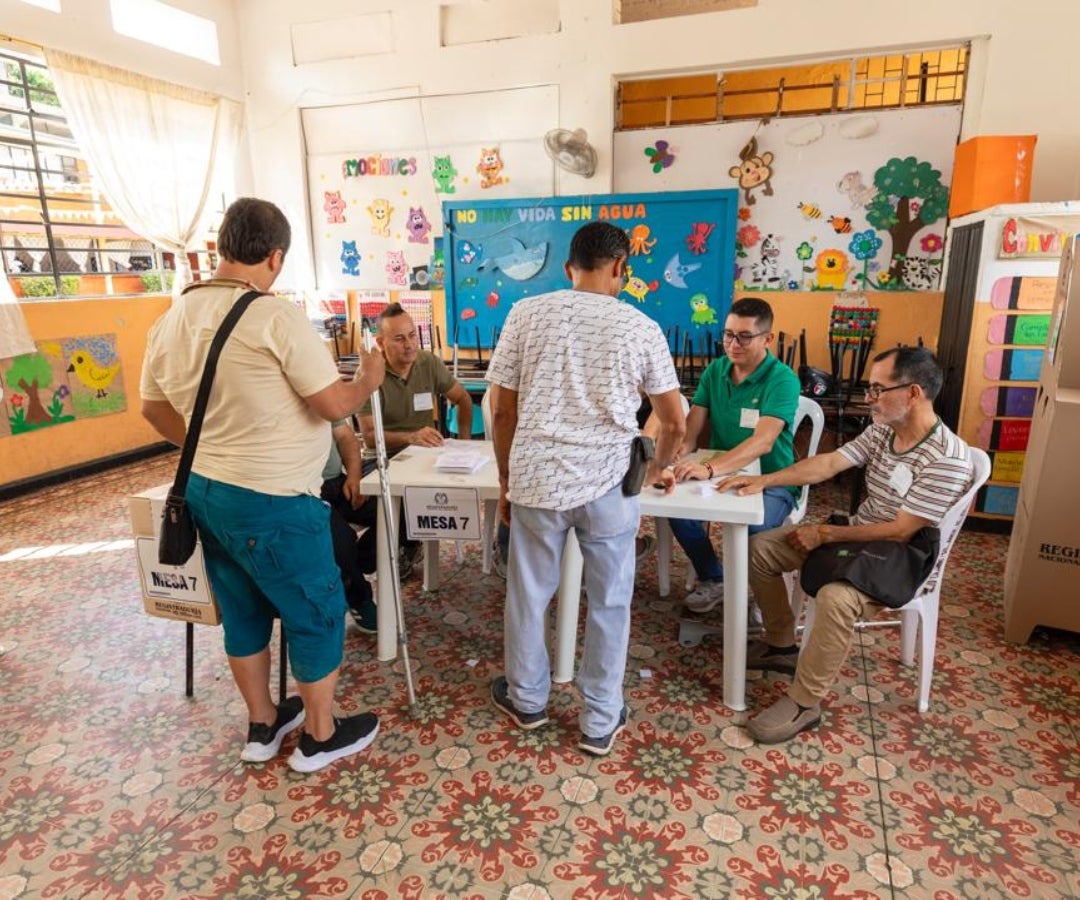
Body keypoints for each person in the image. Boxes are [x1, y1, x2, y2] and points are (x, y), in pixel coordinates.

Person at [140, 197, 384, 774]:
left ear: (223, 246)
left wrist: (212, 448)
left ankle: (263, 724)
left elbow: (152, 409)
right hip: (274, 500)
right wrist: (368, 378)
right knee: (316, 608)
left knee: (243, 608)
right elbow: (333, 404)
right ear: (275, 257)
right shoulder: (274, 317)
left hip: (206, 493)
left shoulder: (171, 318)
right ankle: (320, 736)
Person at [486, 221, 686, 756]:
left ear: (568, 267)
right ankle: (599, 719)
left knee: (528, 595)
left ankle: (528, 700)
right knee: (610, 602)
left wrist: (506, 479)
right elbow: (675, 420)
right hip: (609, 486)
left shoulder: (525, 313)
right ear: (621, 267)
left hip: (536, 479)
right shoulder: (641, 326)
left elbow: (501, 409)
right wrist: (657, 469)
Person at [716, 347, 973, 743]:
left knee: (836, 598)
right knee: (758, 549)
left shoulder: (947, 458)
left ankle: (805, 702)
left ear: (913, 393)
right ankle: (781, 645)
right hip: (859, 534)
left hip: (901, 555)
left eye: (878, 389)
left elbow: (901, 531)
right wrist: (764, 481)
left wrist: (826, 534)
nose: (869, 398)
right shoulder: (884, 430)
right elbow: (829, 463)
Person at [670, 297, 800, 615]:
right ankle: (716, 578)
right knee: (679, 513)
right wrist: (679, 453)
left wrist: (710, 469)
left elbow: (763, 441)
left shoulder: (782, 379)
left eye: (744, 336)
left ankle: (758, 593)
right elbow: (693, 428)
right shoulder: (716, 370)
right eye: (728, 334)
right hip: (720, 472)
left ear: (767, 339)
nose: (733, 344)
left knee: (754, 529)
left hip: (770, 479)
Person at [357, 302, 475, 575]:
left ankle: (407, 545)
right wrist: (410, 437)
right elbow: (370, 437)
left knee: (444, 496)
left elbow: (463, 399)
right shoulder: (369, 373)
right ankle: (390, 551)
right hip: (381, 459)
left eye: (412, 335)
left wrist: (464, 443)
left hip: (426, 456)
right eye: (399, 338)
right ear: (380, 342)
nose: (409, 344)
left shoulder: (428, 362)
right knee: (402, 503)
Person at [321, 419, 377, 633]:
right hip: (304, 490)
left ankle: (358, 565)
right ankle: (359, 599)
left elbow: (346, 436)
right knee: (341, 540)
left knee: (396, 509)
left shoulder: (324, 402)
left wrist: (354, 476)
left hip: (336, 482)